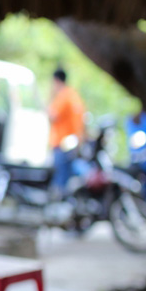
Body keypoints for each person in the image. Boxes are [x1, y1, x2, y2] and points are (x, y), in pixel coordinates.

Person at [47, 68, 86, 196]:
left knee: (60, 176)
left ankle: (59, 202)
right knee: (67, 174)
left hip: (61, 143)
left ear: (56, 81)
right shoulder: (74, 95)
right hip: (73, 143)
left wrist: (50, 97)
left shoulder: (62, 96)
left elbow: (52, 115)